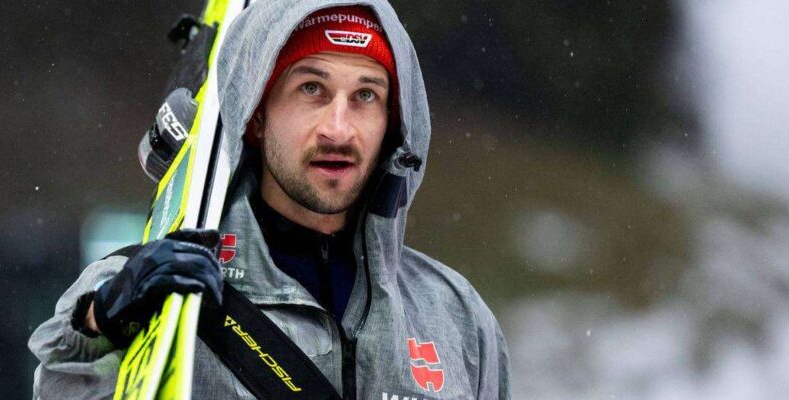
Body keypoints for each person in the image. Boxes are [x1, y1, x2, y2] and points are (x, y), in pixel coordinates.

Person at [28, 1, 510, 399]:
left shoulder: (453, 314)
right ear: (256, 116)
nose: (338, 129)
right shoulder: (149, 285)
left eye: (365, 96)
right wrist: (100, 324)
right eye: (311, 89)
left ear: (393, 127)